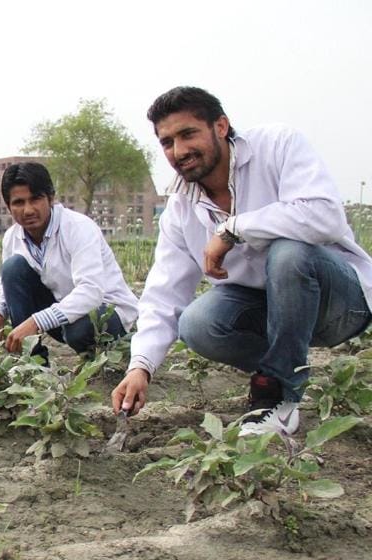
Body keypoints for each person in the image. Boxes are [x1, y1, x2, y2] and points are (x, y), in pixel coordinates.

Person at [112, 87, 372, 435]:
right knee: (197, 323)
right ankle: (282, 367)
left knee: (289, 253)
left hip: (338, 304)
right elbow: (164, 294)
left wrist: (234, 228)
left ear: (221, 126)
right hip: (270, 314)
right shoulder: (179, 209)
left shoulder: (277, 146)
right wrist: (140, 366)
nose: (179, 151)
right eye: (167, 142)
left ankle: (277, 394)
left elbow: (325, 216)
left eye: (188, 134)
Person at [0, 162, 138, 361]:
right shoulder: (12, 236)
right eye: (19, 202)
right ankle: (32, 361)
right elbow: (5, 285)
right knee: (12, 268)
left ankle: (108, 353)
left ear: (51, 198)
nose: (28, 210)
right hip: (63, 313)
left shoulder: (78, 227)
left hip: (108, 313)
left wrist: (36, 321)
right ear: (9, 206)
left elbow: (91, 291)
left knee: (78, 329)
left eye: (35, 199)